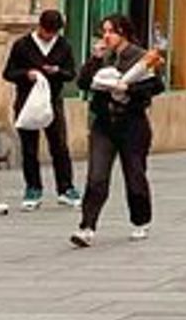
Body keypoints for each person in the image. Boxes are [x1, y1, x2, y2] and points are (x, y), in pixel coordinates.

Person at [70, 14, 164, 247]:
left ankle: (140, 221)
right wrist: (94, 60)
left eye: (111, 31)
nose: (106, 36)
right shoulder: (102, 57)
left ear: (123, 33)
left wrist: (128, 88)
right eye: (104, 31)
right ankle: (87, 226)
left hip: (132, 123)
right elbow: (82, 82)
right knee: (96, 176)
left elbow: (156, 86)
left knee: (134, 174)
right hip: (104, 123)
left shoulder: (140, 56)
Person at [3, 8, 78, 210]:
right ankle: (33, 188)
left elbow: (71, 73)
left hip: (52, 101)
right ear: (40, 27)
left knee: (59, 146)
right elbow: (8, 73)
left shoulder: (63, 46)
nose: (50, 36)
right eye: (47, 32)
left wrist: (57, 71)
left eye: (54, 33)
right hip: (27, 101)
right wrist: (27, 74)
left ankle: (66, 188)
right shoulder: (22, 45)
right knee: (29, 147)